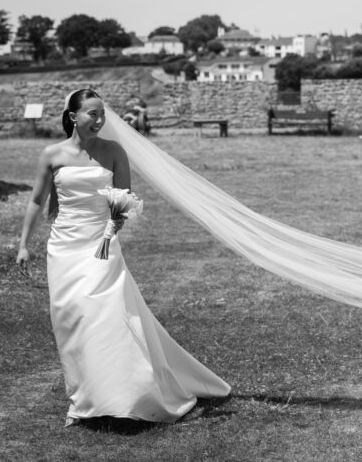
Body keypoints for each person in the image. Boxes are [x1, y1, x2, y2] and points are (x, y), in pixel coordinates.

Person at [16, 89, 230, 426]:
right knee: (71, 321)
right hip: (63, 248)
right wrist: (23, 244)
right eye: (92, 114)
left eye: (102, 114)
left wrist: (112, 228)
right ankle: (84, 398)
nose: (100, 120)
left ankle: (127, 395)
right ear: (73, 117)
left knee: (104, 316)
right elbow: (36, 200)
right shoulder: (52, 154)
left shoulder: (114, 152)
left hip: (101, 246)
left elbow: (124, 199)